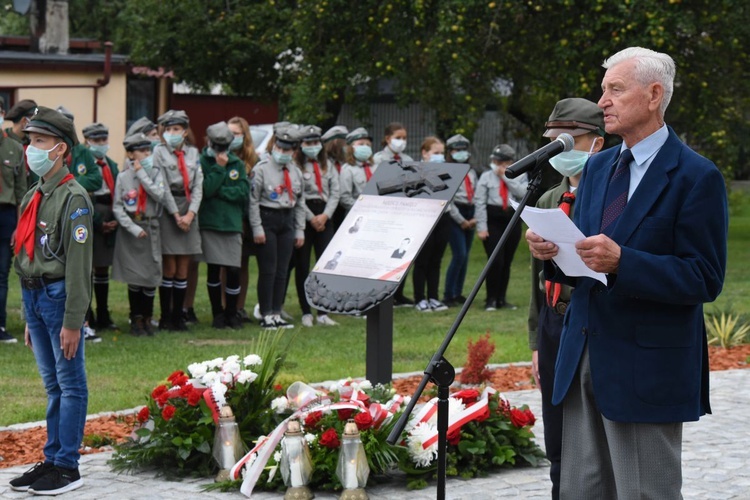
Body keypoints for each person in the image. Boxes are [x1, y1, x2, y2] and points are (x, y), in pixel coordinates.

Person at [526, 47, 728, 499]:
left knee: (644, 493)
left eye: (615, 90)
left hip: (645, 368)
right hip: (582, 358)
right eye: (603, 91)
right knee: (582, 491)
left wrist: (624, 262)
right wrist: (553, 250)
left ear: (654, 95)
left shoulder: (696, 176)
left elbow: (704, 277)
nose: (603, 103)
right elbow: (586, 258)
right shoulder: (598, 167)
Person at [9, 107, 93, 495]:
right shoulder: (35, 192)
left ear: (60, 149)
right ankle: (53, 457)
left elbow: (79, 266)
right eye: (29, 141)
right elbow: (26, 253)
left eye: (39, 142)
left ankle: (67, 467)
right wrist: (30, 316)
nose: (31, 149)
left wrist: (73, 320)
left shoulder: (74, 199)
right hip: (33, 295)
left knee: (70, 382)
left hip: (59, 297)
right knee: (52, 385)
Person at [526, 97, 605, 499]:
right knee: (555, 429)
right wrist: (536, 341)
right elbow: (536, 280)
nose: (560, 147)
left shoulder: (610, 196)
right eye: (554, 139)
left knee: (592, 431)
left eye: (570, 139)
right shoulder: (547, 198)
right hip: (554, 323)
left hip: (588, 320)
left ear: (598, 142)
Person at [249, 127, 305, 329]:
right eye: (279, 147)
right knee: (268, 269)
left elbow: (299, 202)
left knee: (282, 270)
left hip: (286, 220)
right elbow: (253, 201)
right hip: (268, 218)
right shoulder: (261, 168)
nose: (282, 152)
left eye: (287, 150)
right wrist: (257, 228)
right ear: (274, 146)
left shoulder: (295, 171)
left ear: (294, 151)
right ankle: (265, 313)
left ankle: (276, 311)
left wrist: (299, 230)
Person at [111, 133, 166, 337]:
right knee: (134, 277)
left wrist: (142, 174)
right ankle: (136, 318)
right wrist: (133, 228)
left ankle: (147, 318)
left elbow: (160, 195)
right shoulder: (123, 177)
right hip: (132, 230)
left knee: (150, 277)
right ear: (131, 154)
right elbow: (117, 207)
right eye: (143, 151)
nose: (147, 154)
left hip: (151, 227)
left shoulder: (156, 173)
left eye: (149, 150)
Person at [154, 110, 203, 331]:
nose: (172, 133)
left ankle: (178, 316)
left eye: (176, 129)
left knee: (184, 267)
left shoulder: (193, 153)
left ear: (184, 132)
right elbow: (162, 186)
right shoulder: (159, 153)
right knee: (169, 267)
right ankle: (166, 316)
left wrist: (190, 214)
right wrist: (176, 215)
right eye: (168, 129)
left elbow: (198, 186)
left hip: (189, 209)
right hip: (168, 210)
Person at [198, 121, 249, 330]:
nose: (221, 151)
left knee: (234, 271)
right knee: (214, 270)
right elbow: (206, 190)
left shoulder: (236, 163)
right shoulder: (203, 161)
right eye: (217, 146)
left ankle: (232, 313)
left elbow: (243, 192)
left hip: (231, 224)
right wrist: (219, 170)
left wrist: (222, 192)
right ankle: (217, 313)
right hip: (211, 223)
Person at [291, 125, 340, 327]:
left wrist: (325, 215)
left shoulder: (326, 164)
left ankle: (323, 311)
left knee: (326, 265)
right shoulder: (296, 166)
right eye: (308, 143)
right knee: (302, 265)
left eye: (316, 143)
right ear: (301, 145)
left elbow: (335, 192)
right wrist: (312, 218)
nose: (313, 147)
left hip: (325, 215)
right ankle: (305, 310)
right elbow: (298, 195)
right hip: (305, 215)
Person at [475, 144, 527, 311]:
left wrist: (505, 177)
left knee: (507, 261)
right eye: (496, 161)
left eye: (503, 162)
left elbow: (522, 192)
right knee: (495, 261)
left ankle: (501, 299)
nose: (498, 165)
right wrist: (481, 227)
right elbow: (480, 202)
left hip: (511, 218)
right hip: (493, 220)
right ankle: (490, 299)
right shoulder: (486, 176)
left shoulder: (520, 175)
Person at [82, 122, 120, 332]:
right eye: (96, 141)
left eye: (104, 140)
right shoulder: (84, 164)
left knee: (102, 267)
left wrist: (112, 218)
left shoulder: (111, 164)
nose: (101, 144)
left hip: (109, 212)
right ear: (87, 141)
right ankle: (88, 314)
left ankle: (104, 312)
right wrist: (98, 221)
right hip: (91, 214)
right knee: (87, 266)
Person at [373, 122, 414, 307]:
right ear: (388, 138)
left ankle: (398, 293)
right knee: (383, 254)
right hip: (385, 212)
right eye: (398, 138)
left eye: (404, 138)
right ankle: (381, 293)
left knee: (402, 253)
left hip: (404, 213)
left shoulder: (407, 159)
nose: (401, 141)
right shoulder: (378, 159)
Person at [228, 116, 260, 323]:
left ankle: (239, 306)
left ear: (244, 135)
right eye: (229, 134)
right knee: (228, 264)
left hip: (248, 217)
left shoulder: (253, 160)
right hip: (229, 216)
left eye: (236, 134)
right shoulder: (222, 156)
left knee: (243, 264)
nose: (233, 138)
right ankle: (226, 306)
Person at [413, 136, 449, 312]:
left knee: (436, 259)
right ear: (425, 153)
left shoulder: (447, 170)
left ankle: (433, 297)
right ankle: (419, 298)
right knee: (422, 261)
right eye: (436, 153)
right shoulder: (415, 170)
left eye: (442, 153)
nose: (440, 156)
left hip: (443, 217)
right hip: (423, 217)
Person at [0, 102, 27, 343]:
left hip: (6, 214)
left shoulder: (15, 148)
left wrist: (19, 226)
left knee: (2, 273)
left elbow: (21, 191)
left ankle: (0, 325)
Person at [443, 134, 477, 307]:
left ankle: (458, 292)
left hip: (470, 210)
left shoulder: (470, 171)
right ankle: (448, 294)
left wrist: (475, 217)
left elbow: (476, 193)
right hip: (456, 212)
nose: (461, 153)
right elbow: (448, 199)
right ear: (450, 152)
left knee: (465, 256)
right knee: (459, 254)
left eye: (464, 150)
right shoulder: (447, 171)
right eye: (457, 150)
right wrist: (461, 220)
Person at [322, 125, 349, 230]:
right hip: (329, 201)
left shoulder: (344, 159)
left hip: (343, 201)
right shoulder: (324, 160)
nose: (345, 146)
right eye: (342, 142)